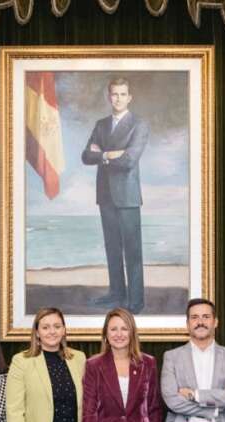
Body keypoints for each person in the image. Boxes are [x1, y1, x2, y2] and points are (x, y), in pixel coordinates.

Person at [80, 76, 150, 313]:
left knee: (132, 250)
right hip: (106, 196)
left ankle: (136, 301)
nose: (118, 98)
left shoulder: (139, 124)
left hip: (128, 197)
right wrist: (110, 155)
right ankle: (116, 294)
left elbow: (130, 160)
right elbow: (85, 156)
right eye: (114, 94)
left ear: (129, 98)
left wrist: (102, 154)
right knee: (112, 248)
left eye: (123, 94)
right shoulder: (101, 125)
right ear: (109, 97)